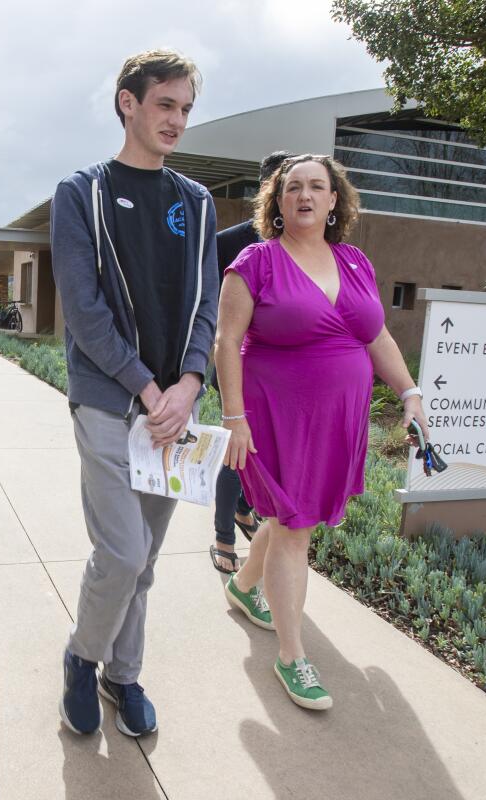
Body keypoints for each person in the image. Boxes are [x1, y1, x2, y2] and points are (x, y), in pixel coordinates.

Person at [215, 154, 427, 710]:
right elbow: (226, 342)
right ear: (277, 201)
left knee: (292, 514)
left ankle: (242, 589)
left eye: (317, 187)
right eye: (293, 188)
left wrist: (410, 392)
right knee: (295, 526)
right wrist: (233, 417)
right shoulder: (256, 261)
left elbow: (376, 337)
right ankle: (292, 657)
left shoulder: (355, 261)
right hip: (276, 414)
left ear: (335, 200)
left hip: (338, 418)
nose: (305, 195)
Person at [50, 49, 217, 738]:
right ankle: (82, 660)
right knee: (121, 552)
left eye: (185, 108)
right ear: (129, 103)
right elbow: (84, 312)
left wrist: (189, 382)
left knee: (144, 561)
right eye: (165, 105)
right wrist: (149, 388)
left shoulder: (197, 202)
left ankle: (125, 673)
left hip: (175, 409)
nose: (176, 120)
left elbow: (207, 302)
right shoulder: (81, 193)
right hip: (110, 399)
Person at [208, 150, 291, 574]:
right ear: (265, 188)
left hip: (284, 374)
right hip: (237, 362)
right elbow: (208, 307)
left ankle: (243, 509)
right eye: (282, 183)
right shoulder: (230, 242)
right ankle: (224, 533)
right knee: (236, 449)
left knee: (265, 451)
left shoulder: (306, 246)